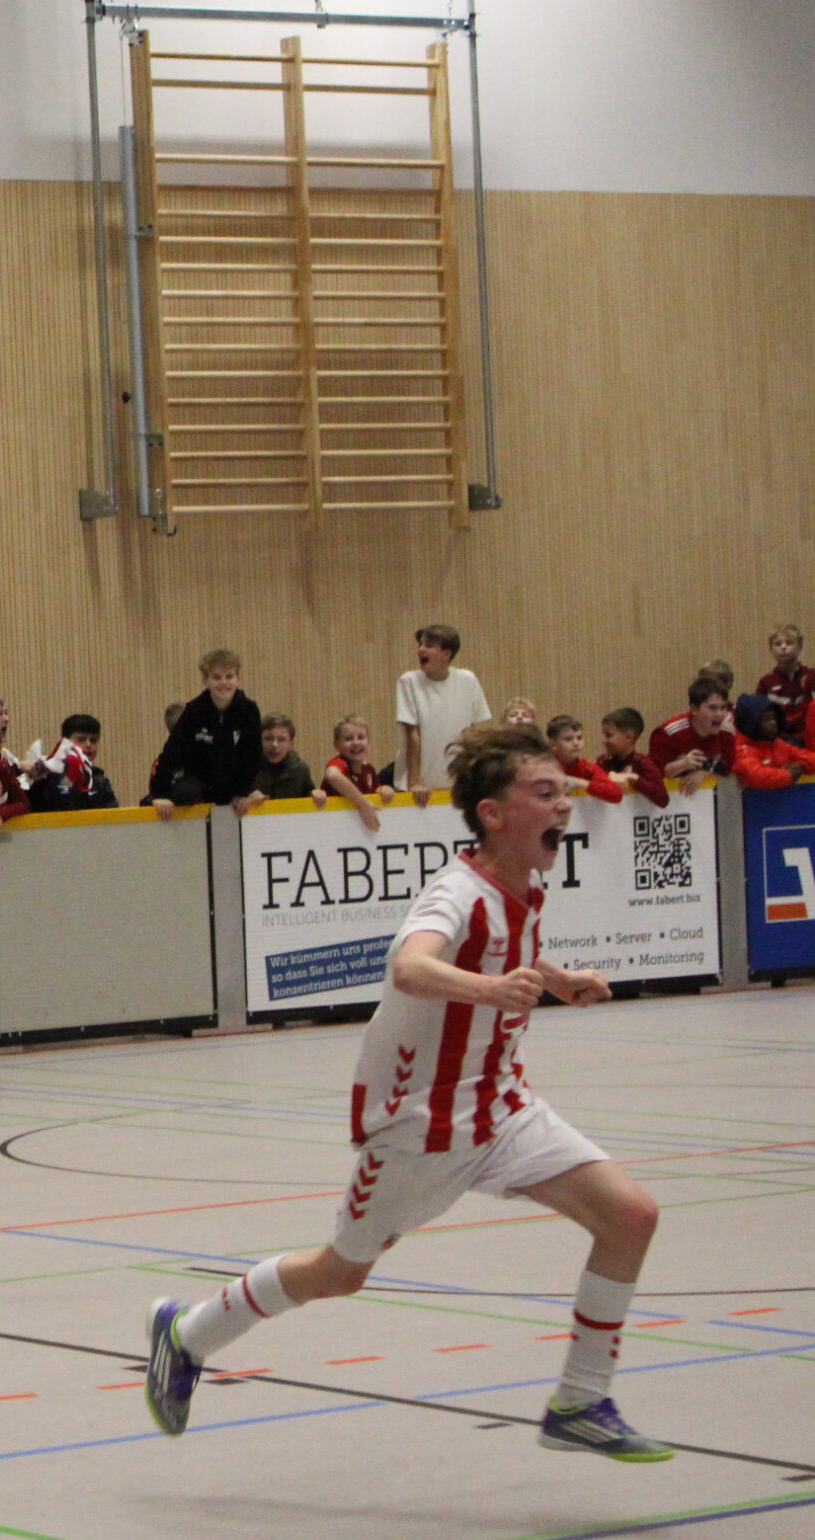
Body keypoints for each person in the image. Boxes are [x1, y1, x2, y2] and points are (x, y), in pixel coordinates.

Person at [146, 726, 670, 1461]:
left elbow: (502, 949)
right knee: (338, 1273)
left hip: (501, 1105)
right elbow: (410, 966)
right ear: (494, 814)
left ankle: (580, 1400)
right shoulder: (456, 892)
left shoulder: (525, 886)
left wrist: (554, 978)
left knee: (631, 1216)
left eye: (564, 791)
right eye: (545, 792)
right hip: (420, 1124)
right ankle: (187, 1333)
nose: (564, 804)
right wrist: (491, 989)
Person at [395, 624, 491, 807]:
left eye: (428, 645)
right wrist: (414, 783)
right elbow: (413, 734)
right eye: (420, 644)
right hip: (420, 787)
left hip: (457, 783)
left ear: (446, 654)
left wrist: (475, 778)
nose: (421, 649)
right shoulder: (409, 681)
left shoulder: (467, 680)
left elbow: (474, 734)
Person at [163, 649, 263, 813]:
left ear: (238, 679)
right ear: (206, 681)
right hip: (201, 781)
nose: (223, 682)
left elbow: (252, 756)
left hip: (234, 781)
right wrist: (160, 794)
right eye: (217, 677)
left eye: (229, 676)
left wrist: (242, 792)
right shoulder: (194, 711)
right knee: (183, 793)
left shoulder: (249, 710)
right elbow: (172, 751)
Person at [647, 677, 734, 794]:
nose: (720, 714)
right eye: (712, 708)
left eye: (723, 708)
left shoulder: (727, 732)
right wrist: (683, 764)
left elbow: (728, 772)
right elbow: (652, 775)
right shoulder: (668, 733)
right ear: (694, 709)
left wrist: (704, 773)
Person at [27, 714, 117, 813]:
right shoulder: (48, 777)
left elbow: (113, 815)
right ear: (65, 743)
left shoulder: (100, 781)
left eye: (93, 740)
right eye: (81, 740)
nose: (88, 744)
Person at [314, 716, 386, 833]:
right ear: (336, 745)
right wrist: (364, 805)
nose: (356, 743)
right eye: (348, 739)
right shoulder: (339, 763)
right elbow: (332, 775)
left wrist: (385, 790)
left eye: (361, 737)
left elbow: (376, 792)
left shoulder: (369, 770)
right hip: (333, 828)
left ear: (368, 741)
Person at [730, 694, 815, 789]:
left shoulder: (776, 744)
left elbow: (804, 756)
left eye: (774, 718)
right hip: (750, 797)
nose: (773, 723)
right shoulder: (740, 749)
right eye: (767, 719)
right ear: (752, 723)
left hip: (780, 797)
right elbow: (756, 776)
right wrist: (789, 774)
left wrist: (801, 765)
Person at [595, 709, 670, 809]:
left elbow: (663, 799)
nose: (604, 741)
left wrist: (634, 778)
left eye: (609, 735)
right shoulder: (603, 761)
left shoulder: (642, 763)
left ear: (628, 737)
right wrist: (609, 776)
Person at [547, 715, 624, 804]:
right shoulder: (544, 768)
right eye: (568, 739)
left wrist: (578, 782)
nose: (576, 743)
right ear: (553, 745)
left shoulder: (587, 767)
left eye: (579, 738)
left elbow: (616, 794)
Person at [754, 625, 810, 746]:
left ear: (800, 646)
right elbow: (761, 719)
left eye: (789, 643)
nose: (783, 647)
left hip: (809, 741)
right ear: (771, 649)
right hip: (778, 743)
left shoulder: (811, 677)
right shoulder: (766, 682)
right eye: (777, 644)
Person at [247, 713, 315, 805]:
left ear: (291, 744)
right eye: (268, 738)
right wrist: (246, 799)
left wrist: (316, 795)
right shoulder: (246, 769)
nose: (274, 745)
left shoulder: (300, 770)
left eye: (281, 739)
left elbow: (310, 800)